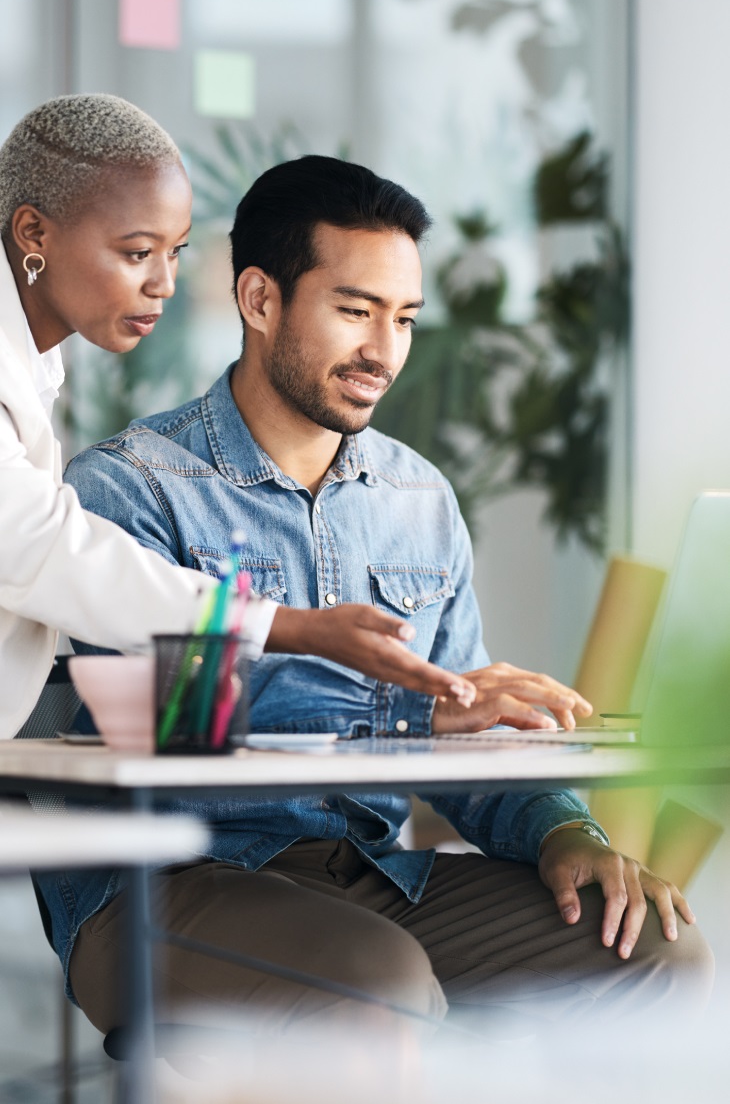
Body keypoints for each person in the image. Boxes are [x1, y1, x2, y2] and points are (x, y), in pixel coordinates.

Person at [42, 156, 712, 1038]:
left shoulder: (418, 499)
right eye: (355, 311)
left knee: (655, 949)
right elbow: (175, 735)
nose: (384, 352)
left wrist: (567, 835)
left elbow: (473, 735)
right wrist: (412, 716)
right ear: (259, 299)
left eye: (404, 319)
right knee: (377, 979)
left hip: (370, 876)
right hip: (169, 881)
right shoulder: (131, 488)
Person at [0, 94, 481, 739]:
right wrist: (305, 635)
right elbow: (51, 556)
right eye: (138, 252)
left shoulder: (421, 497)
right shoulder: (133, 484)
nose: (165, 284)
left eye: (175, 251)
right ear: (34, 234)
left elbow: (481, 722)